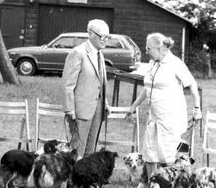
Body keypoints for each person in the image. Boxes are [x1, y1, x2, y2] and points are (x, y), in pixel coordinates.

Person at [126, 33, 202, 179]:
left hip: (170, 117)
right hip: (154, 115)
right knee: (150, 153)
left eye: (148, 48)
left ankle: (174, 186)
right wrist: (133, 106)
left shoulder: (175, 63)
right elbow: (148, 88)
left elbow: (192, 85)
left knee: (168, 154)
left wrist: (197, 110)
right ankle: (152, 185)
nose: (146, 51)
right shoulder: (153, 63)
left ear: (160, 48)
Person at [61, 19, 111, 158]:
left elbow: (98, 82)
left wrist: (105, 103)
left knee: (91, 151)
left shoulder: (100, 54)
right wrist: (69, 109)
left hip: (97, 110)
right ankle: (73, 173)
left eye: (107, 37)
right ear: (90, 34)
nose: (105, 40)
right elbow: (67, 84)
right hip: (80, 110)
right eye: (102, 36)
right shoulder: (77, 53)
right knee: (77, 151)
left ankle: (86, 172)